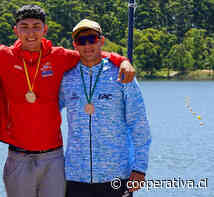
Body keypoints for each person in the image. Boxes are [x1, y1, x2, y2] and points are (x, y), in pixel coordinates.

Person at [0, 5, 135, 197]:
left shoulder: (60, 56)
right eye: (24, 27)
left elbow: (92, 53)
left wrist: (122, 60)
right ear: (15, 30)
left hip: (53, 158)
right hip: (18, 157)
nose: (30, 33)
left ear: (44, 29)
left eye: (36, 27)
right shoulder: (1, 55)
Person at [59, 19, 152, 197]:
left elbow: (139, 123)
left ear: (101, 40)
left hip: (117, 174)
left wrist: (140, 168)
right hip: (76, 176)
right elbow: (47, 111)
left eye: (92, 39)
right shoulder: (66, 77)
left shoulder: (122, 74)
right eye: (81, 41)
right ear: (75, 45)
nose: (87, 45)